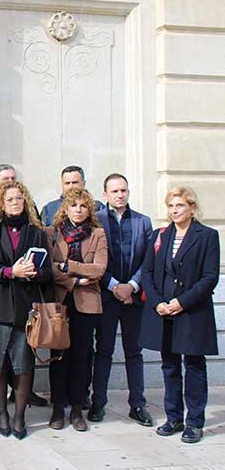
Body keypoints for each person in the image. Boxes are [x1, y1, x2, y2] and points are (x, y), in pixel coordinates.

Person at [140, 187, 220, 444]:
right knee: (169, 366)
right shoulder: (160, 235)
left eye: (180, 206)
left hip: (192, 311)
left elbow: (209, 277)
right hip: (163, 311)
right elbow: (148, 272)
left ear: (192, 208)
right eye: (171, 206)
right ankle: (174, 417)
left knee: (194, 366)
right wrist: (158, 303)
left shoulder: (207, 236)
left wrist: (181, 303)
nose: (175, 211)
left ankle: (195, 421)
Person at [0, 181, 53, 440]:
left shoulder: (36, 232)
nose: (15, 203)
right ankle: (1, 413)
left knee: (23, 366)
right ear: (1, 202)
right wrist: (10, 272)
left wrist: (33, 273)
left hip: (24, 308)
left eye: (19, 198)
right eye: (10, 199)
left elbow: (48, 272)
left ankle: (19, 417)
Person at [88, 174, 154, 427]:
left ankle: (137, 404)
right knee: (103, 351)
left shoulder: (143, 222)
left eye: (124, 190)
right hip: (106, 295)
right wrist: (115, 286)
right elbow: (93, 258)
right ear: (105, 194)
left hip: (133, 298)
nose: (120, 195)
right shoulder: (96, 221)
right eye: (114, 191)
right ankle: (98, 402)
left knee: (134, 352)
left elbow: (148, 260)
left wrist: (132, 286)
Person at [46, 188, 107, 433]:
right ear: (66, 209)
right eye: (74, 206)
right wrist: (74, 279)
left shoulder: (98, 234)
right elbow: (49, 267)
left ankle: (78, 408)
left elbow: (99, 269)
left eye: (83, 206)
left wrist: (68, 266)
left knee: (82, 357)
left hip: (87, 302)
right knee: (58, 356)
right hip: (61, 301)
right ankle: (58, 407)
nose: (79, 210)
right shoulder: (52, 233)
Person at [40, 165, 105, 226]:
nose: (71, 186)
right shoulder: (48, 209)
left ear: (83, 183)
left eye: (75, 182)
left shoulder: (98, 208)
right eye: (67, 183)